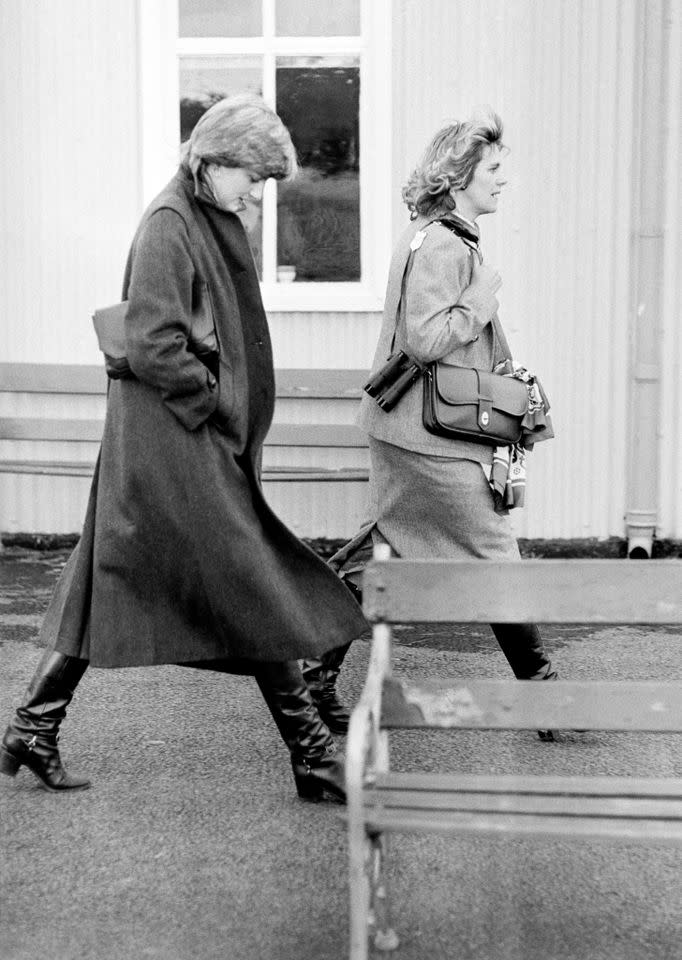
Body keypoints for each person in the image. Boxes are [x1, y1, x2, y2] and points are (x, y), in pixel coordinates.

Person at [0, 93, 366, 800]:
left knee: (109, 574)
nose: (254, 191)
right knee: (250, 580)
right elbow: (154, 340)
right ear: (214, 159)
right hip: (175, 441)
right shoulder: (171, 223)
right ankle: (314, 756)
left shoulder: (201, 214)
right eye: (250, 177)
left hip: (170, 439)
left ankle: (32, 728)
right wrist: (218, 403)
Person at [353, 108, 557, 731]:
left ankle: (306, 669)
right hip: (428, 438)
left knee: (386, 546)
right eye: (493, 169)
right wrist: (481, 298)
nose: (503, 180)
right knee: (495, 551)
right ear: (461, 173)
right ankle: (545, 695)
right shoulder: (443, 243)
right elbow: (424, 339)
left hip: (410, 429)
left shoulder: (434, 234)